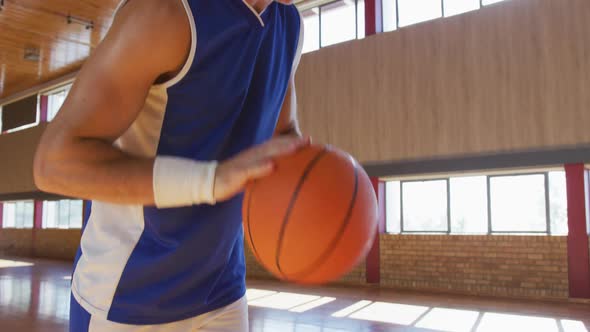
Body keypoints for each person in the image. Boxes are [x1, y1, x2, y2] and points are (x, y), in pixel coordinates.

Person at [33, 0, 306, 330]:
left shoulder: (290, 25)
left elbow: (284, 137)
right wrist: (210, 180)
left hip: (222, 289)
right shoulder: (164, 13)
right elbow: (55, 163)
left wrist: (319, 189)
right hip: (127, 295)